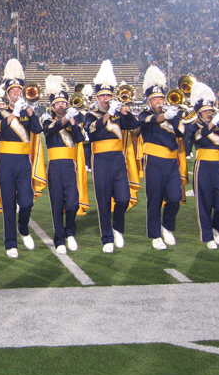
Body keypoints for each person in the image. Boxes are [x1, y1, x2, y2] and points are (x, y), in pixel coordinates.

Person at [82, 61, 139, 253]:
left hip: (118, 159)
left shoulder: (118, 113)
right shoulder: (91, 114)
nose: (106, 98)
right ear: (97, 98)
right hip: (100, 160)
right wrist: (108, 114)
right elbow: (92, 131)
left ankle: (118, 229)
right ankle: (106, 238)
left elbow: (133, 126)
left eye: (108, 95)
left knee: (123, 198)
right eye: (103, 96)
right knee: (104, 200)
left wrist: (125, 110)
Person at [0, 58, 44, 258]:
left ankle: (23, 228)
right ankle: (10, 242)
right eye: (13, 91)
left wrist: (28, 109)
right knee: (8, 202)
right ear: (7, 94)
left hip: (23, 161)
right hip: (5, 160)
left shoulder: (28, 112)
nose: (16, 93)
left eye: (19, 91)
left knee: (27, 201)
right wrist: (13, 113)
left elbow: (38, 129)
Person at [184, 82, 219, 249]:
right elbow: (198, 137)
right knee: (204, 203)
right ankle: (207, 236)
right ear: (199, 114)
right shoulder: (195, 126)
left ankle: (216, 228)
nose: (209, 113)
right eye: (206, 112)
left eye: (210, 111)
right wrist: (213, 123)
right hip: (203, 166)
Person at [138, 65, 188, 250]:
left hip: (171, 161)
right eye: (155, 99)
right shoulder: (146, 114)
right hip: (153, 160)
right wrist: (164, 116)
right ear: (149, 101)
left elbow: (182, 133)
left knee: (175, 197)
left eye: (161, 97)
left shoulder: (172, 114)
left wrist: (177, 116)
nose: (159, 101)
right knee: (155, 199)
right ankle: (155, 235)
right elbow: (145, 122)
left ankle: (167, 226)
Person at [41, 75, 86, 254]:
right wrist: (66, 120)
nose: (62, 106)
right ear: (52, 107)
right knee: (57, 203)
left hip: (70, 166)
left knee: (73, 203)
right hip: (54, 167)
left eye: (64, 103)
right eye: (58, 104)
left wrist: (73, 122)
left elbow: (80, 138)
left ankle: (70, 233)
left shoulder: (73, 121)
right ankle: (59, 239)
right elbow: (50, 131)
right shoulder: (47, 120)